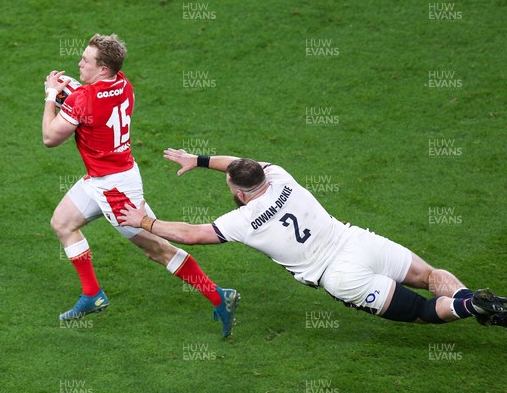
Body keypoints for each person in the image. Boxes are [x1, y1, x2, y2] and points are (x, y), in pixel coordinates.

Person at [118, 148, 507, 328]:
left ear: (238, 192)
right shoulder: (281, 175)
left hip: (339, 275)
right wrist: (199, 159)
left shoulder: (242, 220)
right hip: (357, 241)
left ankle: (474, 308)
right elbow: (236, 162)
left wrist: (145, 222)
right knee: (429, 276)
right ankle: (482, 302)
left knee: (423, 311)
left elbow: (193, 235)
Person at [41, 34, 239, 337]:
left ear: (104, 69)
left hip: (115, 190)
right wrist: (74, 94)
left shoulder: (84, 99)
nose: (79, 63)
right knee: (62, 223)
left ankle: (218, 295)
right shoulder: (124, 84)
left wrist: (52, 96)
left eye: (86, 60)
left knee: (157, 249)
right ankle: (92, 294)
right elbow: (92, 101)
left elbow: (50, 138)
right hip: (105, 176)